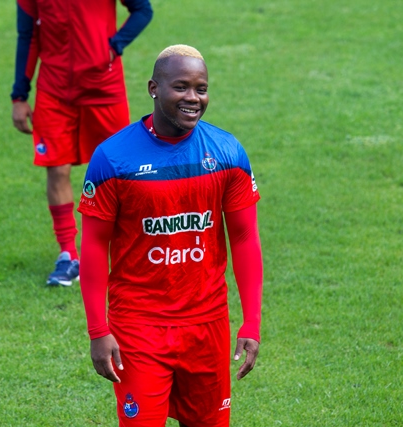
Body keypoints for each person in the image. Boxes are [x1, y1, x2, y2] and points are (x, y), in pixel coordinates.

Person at [78, 45, 264, 426]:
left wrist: (251, 322)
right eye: (181, 87)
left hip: (207, 325)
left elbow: (245, 239)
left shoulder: (227, 153)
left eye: (201, 88)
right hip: (139, 327)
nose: (193, 98)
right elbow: (94, 245)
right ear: (154, 88)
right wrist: (99, 330)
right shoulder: (113, 158)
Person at [10, 0, 153, 286]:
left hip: (104, 86)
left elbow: (143, 9)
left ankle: (131, 249)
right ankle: (68, 255)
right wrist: (19, 95)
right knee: (56, 169)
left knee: (120, 172)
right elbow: (28, 35)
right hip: (54, 89)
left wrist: (113, 47)